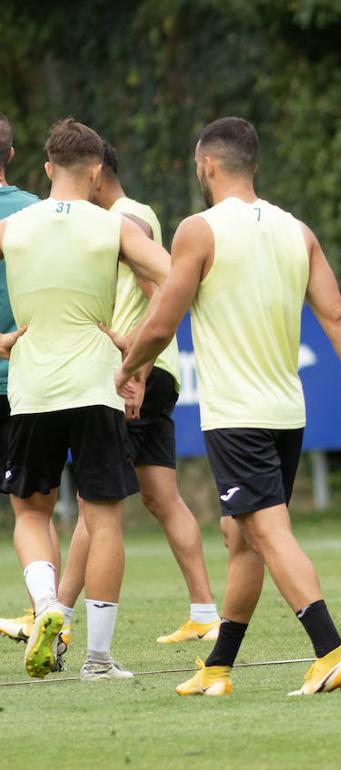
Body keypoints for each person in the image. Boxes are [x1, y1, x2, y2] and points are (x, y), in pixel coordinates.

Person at [117, 117, 341, 696]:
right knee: (241, 537)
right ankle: (218, 668)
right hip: (286, 414)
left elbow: (162, 320)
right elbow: (337, 319)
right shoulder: (298, 231)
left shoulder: (199, 230)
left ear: (207, 166)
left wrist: (128, 368)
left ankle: (331, 651)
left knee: (267, 533)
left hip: (236, 415)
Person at [0, 118, 170, 680]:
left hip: (33, 389)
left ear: (47, 169)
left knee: (30, 511)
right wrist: (137, 348)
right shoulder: (113, 226)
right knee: (104, 521)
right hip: (97, 385)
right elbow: (174, 281)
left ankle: (47, 605)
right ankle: (97, 658)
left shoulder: (15, 225)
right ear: (96, 171)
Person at [50, 141, 221, 662]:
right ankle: (204, 613)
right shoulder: (131, 214)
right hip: (154, 371)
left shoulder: (125, 218)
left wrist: (137, 368)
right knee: (161, 498)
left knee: (93, 505)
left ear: (96, 175)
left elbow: (157, 287)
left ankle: (55, 619)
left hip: (133, 374)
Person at [0, 112, 63, 647]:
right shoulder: (40, 214)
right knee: (37, 512)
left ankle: (45, 610)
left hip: (23, 380)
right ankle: (51, 614)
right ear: (12, 155)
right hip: (30, 384)